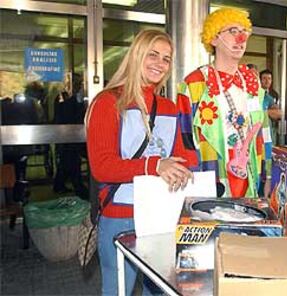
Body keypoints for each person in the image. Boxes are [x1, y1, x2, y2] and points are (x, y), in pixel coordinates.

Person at [86, 30, 194, 296]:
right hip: (120, 217)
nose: (160, 63)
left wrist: (186, 167)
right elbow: (102, 167)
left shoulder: (170, 107)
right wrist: (154, 165)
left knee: (160, 291)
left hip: (161, 215)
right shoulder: (108, 102)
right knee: (117, 290)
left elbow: (182, 156)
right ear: (136, 56)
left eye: (166, 59)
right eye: (153, 55)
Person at [176, 8, 273, 198]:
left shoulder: (252, 82)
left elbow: (264, 134)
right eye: (232, 31)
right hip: (210, 180)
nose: (241, 38)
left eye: (243, 32)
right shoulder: (194, 84)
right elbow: (183, 140)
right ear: (213, 39)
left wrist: (268, 176)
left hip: (251, 182)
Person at [53, 73, 88, 199]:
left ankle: (59, 185)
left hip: (72, 134)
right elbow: (65, 115)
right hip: (67, 134)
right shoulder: (64, 98)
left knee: (66, 161)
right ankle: (78, 188)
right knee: (71, 161)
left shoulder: (73, 98)